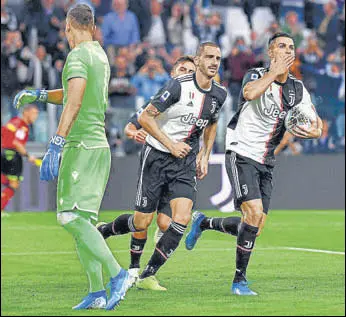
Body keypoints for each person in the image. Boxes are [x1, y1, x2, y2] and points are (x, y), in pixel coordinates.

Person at [185, 32, 323, 296]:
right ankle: (239, 281)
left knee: (254, 227)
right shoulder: (256, 75)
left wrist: (315, 130)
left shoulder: (297, 89)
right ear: (271, 53)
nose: (287, 51)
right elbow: (249, 93)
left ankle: (204, 223)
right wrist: (274, 73)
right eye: (281, 47)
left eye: (291, 47)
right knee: (254, 213)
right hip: (241, 151)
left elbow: (316, 122)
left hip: (266, 159)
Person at [13, 4, 131, 310]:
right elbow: (72, 92)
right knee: (84, 225)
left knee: (68, 217)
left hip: (81, 147)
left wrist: (56, 141)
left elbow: (74, 102)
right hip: (99, 147)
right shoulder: (100, 55)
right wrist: (39, 95)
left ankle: (118, 275)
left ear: (68, 26)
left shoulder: (77, 55)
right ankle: (96, 292)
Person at [98, 42, 227, 292]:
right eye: (209, 57)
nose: (214, 62)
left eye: (218, 58)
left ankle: (148, 274)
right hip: (157, 157)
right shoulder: (177, 86)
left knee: (179, 219)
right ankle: (104, 230)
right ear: (198, 60)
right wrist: (169, 144)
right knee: (141, 222)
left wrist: (205, 153)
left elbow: (212, 122)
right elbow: (144, 117)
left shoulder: (219, 94)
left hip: (185, 161)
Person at [1, 105, 39, 216]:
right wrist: (28, 156)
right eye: (34, 113)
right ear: (26, 112)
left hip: (3, 152)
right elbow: (16, 143)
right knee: (14, 184)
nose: (36, 116)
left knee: (8, 181)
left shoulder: (13, 121)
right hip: (11, 155)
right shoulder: (23, 127)